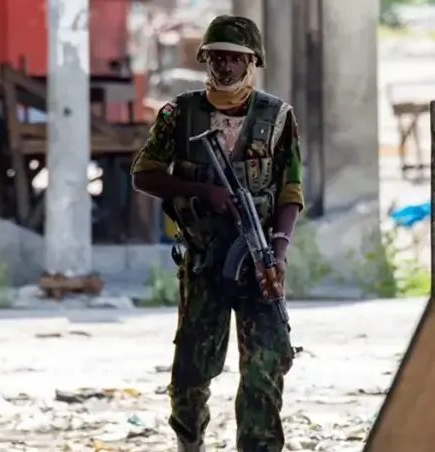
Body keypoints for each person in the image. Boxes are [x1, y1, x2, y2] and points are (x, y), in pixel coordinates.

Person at [130, 15, 303, 452]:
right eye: (217, 57)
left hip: (258, 261)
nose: (225, 66)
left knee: (264, 367)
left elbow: (290, 191)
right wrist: (201, 191)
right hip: (204, 260)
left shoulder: (277, 116)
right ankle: (190, 442)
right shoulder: (180, 114)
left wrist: (278, 251)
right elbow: (144, 174)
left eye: (235, 58)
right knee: (191, 371)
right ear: (205, 59)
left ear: (252, 62)